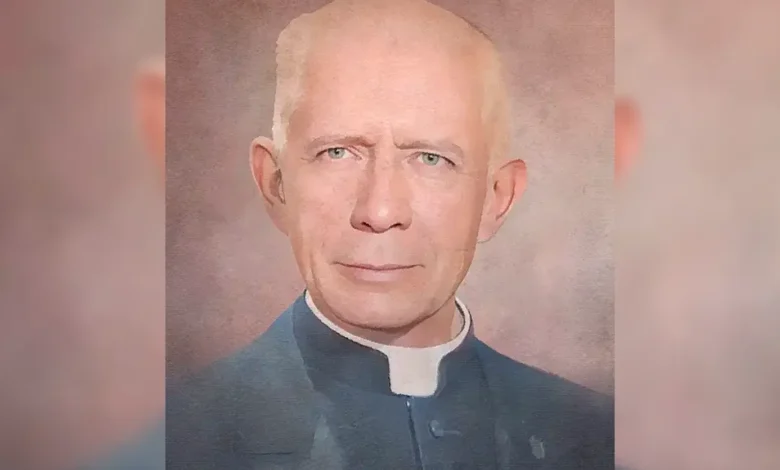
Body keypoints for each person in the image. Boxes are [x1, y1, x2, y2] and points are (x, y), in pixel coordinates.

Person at [166, 1, 614, 469]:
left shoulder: (597, 439)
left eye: (431, 159)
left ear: (496, 198)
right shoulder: (177, 442)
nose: (379, 212)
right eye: (337, 153)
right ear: (275, 184)